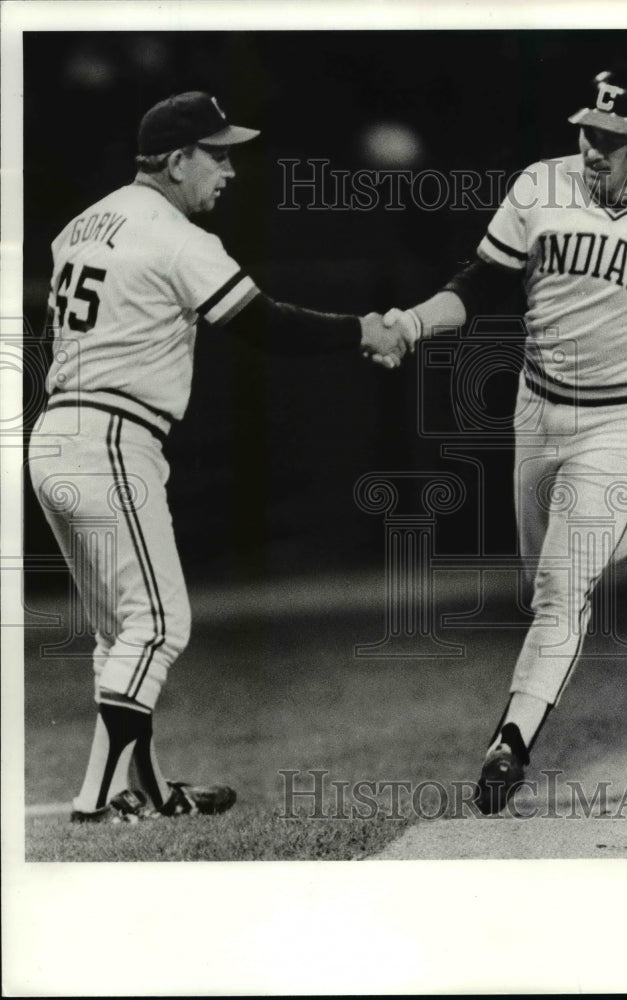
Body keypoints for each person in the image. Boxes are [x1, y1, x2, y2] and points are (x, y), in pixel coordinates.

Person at [28, 91, 406, 823]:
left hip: (57, 437)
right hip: (112, 436)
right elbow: (265, 325)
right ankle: (97, 798)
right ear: (175, 160)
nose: (228, 170)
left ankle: (147, 787)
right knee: (160, 625)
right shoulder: (177, 239)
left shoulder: (82, 223)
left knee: (122, 632)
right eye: (217, 154)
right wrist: (364, 327)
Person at [378, 69, 627, 814]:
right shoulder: (540, 187)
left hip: (621, 419)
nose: (593, 150)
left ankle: (510, 739)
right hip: (536, 406)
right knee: (537, 573)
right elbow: (481, 283)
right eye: (588, 133)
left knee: (559, 589)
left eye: (612, 141)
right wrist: (413, 323)